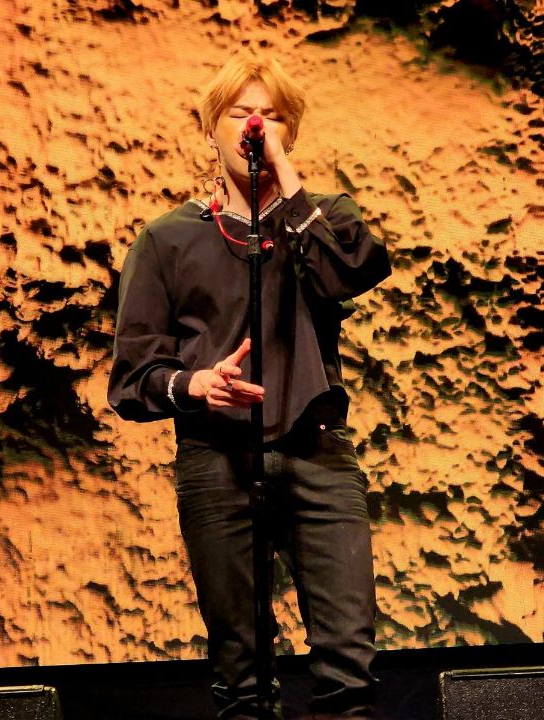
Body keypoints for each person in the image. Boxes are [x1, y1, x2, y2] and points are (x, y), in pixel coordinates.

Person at [108, 54, 392, 719]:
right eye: (240, 113)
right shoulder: (168, 240)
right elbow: (132, 379)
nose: (255, 125)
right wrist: (196, 384)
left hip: (318, 451)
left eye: (273, 116)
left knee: (349, 666)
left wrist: (288, 183)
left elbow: (350, 273)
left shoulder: (323, 218)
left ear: (290, 132)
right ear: (212, 128)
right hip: (218, 459)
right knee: (243, 678)